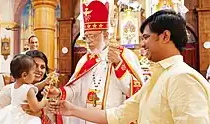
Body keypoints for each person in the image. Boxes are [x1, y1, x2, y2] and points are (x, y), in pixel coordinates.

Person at [48, 9, 210, 124]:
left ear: (165, 36)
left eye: (146, 37)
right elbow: (119, 115)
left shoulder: (182, 78)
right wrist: (72, 109)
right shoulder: (159, 78)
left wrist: (119, 65)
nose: (142, 44)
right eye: (87, 36)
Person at [46, 1, 143, 124]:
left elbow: (137, 94)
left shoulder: (124, 55)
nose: (89, 41)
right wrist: (59, 92)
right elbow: (76, 90)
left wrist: (118, 64)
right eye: (86, 37)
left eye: (93, 36)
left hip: (112, 119)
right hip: (86, 119)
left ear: (106, 34)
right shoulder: (85, 60)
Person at [0, 50, 57, 124]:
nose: (39, 70)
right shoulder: (7, 91)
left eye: (42, 67)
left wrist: (41, 114)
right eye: (35, 66)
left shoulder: (48, 91)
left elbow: (52, 121)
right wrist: (44, 101)